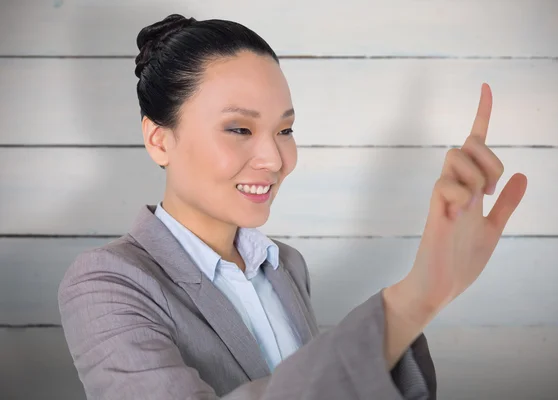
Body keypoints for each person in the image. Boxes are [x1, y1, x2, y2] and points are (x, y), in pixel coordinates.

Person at [57, 14, 528, 400]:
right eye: (239, 129)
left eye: (284, 130)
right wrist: (417, 295)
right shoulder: (108, 283)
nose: (275, 159)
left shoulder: (284, 267)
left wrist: (434, 291)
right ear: (159, 139)